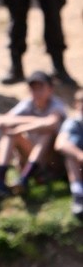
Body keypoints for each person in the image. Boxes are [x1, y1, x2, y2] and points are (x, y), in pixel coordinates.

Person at [0, 71, 67, 204]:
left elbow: (51, 123)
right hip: (33, 157)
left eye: (41, 87)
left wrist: (22, 127)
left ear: (50, 89)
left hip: (54, 162)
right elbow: (1, 121)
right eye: (33, 88)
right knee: (11, 134)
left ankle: (24, 178)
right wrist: (31, 120)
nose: (36, 92)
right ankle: (0, 183)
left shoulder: (56, 104)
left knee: (46, 133)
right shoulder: (28, 103)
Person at [55, 86, 83, 218]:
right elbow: (60, 144)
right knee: (71, 156)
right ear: (77, 104)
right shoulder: (73, 122)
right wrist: (80, 155)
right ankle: (79, 195)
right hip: (77, 167)